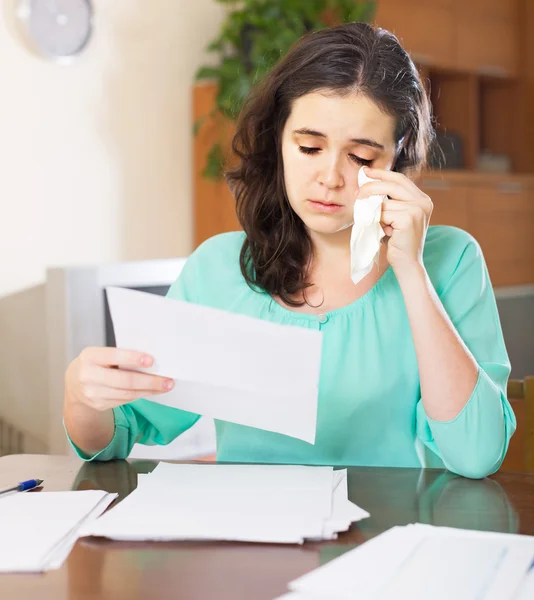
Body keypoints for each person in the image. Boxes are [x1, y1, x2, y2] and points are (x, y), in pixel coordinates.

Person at [63, 22, 515, 479]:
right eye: (309, 147)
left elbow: (475, 455)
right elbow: (118, 435)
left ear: (395, 160)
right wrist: (82, 396)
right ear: (278, 140)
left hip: (393, 535)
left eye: (361, 157)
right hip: (252, 540)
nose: (331, 177)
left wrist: (412, 272)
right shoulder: (218, 268)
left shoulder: (450, 260)